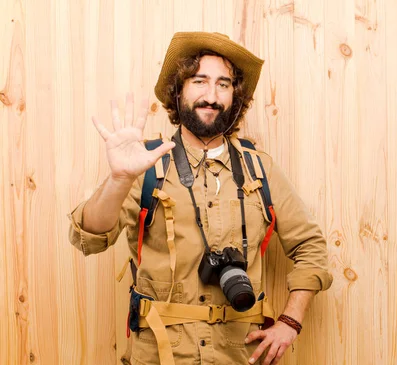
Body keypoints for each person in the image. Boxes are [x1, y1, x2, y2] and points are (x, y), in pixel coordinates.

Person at [68, 32, 332, 365]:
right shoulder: (146, 165)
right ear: (177, 92)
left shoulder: (259, 169)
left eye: (224, 84)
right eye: (199, 81)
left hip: (241, 354)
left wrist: (290, 321)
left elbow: (311, 248)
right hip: (161, 355)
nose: (212, 96)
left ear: (234, 97)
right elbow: (87, 238)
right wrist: (120, 178)